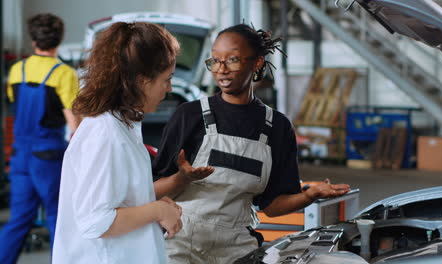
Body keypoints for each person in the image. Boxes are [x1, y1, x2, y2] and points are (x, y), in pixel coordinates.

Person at [152, 23, 351, 263]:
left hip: (236, 249)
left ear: (257, 63)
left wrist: (310, 195)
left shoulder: (277, 127)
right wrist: (181, 178)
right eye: (215, 60)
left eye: (232, 60)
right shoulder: (190, 115)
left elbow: (273, 206)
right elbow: (152, 191)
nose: (221, 69)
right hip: (179, 241)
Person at [51, 22, 213, 264]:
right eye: (166, 79)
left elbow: (124, 196)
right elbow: (95, 220)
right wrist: (157, 211)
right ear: (140, 81)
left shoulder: (123, 124)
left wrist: (157, 201)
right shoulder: (105, 134)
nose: (168, 89)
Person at [0, 13, 81, 264]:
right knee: (58, 217)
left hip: (20, 155)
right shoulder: (64, 73)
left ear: (33, 39)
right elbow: (74, 125)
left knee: (19, 219)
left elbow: (16, 106)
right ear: (59, 39)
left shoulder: (17, 70)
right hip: (49, 155)